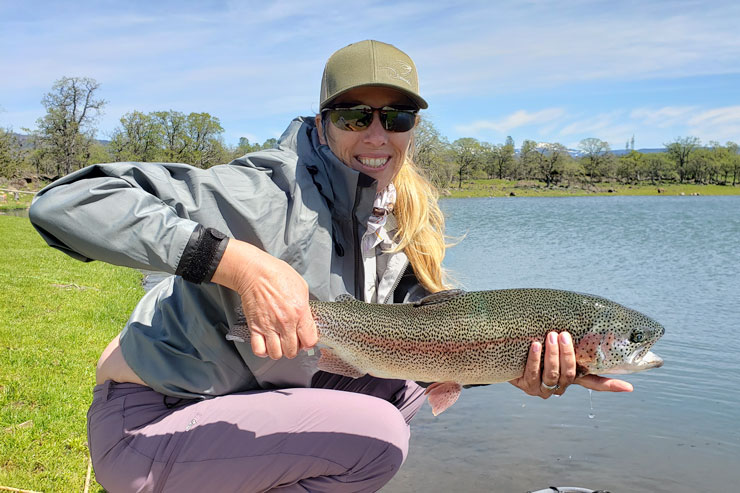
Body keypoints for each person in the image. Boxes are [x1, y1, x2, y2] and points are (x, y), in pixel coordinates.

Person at [29, 40, 632, 492]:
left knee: (404, 393)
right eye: (354, 116)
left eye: (396, 118)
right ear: (322, 123)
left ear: (413, 129)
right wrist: (237, 263)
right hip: (154, 427)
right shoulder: (264, 191)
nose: (377, 133)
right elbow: (65, 203)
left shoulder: (396, 214)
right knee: (378, 437)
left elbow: (431, 340)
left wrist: (513, 369)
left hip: (238, 409)